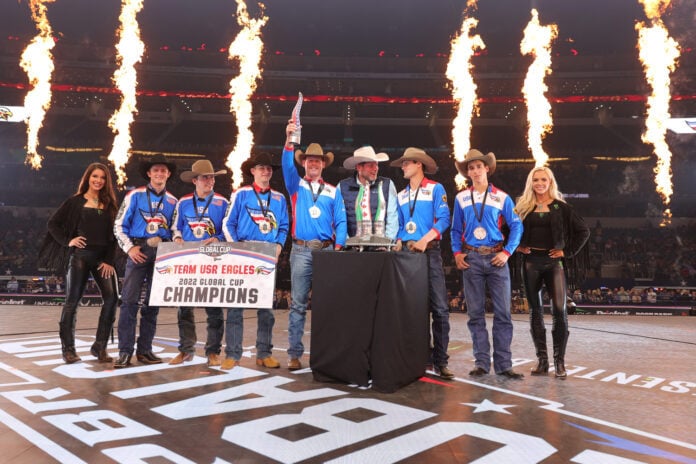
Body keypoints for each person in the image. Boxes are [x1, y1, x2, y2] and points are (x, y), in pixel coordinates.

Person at [451, 149, 524, 379]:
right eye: (470, 168)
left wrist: (507, 252)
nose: (474, 171)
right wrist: (456, 254)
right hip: (471, 259)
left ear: (487, 169)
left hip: (496, 258)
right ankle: (482, 362)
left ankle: (504, 364)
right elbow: (455, 230)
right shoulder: (461, 197)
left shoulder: (502, 197)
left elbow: (516, 226)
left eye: (478, 167)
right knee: (475, 314)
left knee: (503, 313)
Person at [38, 163, 119, 364]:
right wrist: (68, 241)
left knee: (112, 298)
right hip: (80, 256)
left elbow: (114, 236)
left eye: (102, 177)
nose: (98, 180)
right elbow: (52, 224)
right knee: (72, 302)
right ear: (88, 178)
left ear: (106, 181)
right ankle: (68, 350)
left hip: (102, 259)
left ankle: (100, 347)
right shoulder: (74, 202)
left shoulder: (109, 204)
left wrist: (109, 260)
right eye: (95, 176)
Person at [282, 122, 347, 370]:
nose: (313, 164)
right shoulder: (295, 185)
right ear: (304, 163)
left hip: (327, 251)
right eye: (309, 160)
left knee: (326, 306)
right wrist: (289, 141)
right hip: (301, 251)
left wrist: (339, 248)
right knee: (298, 304)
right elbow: (287, 164)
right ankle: (294, 355)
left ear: (323, 164)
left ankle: (324, 354)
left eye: (317, 161)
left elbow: (340, 220)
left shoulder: (333, 191)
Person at [514, 166, 589, 378]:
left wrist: (567, 251)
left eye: (543, 180)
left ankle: (560, 363)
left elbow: (584, 231)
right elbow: (506, 230)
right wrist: (518, 247)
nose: (539, 183)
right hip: (530, 263)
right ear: (531, 182)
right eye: (536, 179)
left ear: (550, 182)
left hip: (554, 263)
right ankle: (542, 361)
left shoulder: (561, 207)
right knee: (535, 312)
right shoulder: (522, 207)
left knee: (559, 310)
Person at [390, 147, 454, 380]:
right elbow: (398, 224)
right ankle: (418, 359)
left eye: (407, 163)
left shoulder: (436, 188)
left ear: (419, 164)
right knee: (412, 310)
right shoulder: (400, 194)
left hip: (429, 252)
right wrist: (398, 241)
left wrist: (425, 240)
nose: (403, 167)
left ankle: (441, 361)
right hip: (407, 255)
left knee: (439, 308)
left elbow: (445, 218)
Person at [222, 152, 289, 370]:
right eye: (261, 167)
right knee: (235, 308)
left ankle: (264, 353)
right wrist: (235, 246)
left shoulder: (279, 198)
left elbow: (284, 226)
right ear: (252, 171)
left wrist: (278, 246)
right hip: (242, 252)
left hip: (266, 254)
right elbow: (227, 223)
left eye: (269, 168)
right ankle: (232, 354)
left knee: (266, 309)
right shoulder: (241, 194)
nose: (266, 171)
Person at [113, 154, 178, 368]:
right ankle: (124, 351)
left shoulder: (173, 201)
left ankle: (145, 350)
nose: (160, 173)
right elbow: (119, 225)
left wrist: (167, 239)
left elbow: (175, 230)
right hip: (138, 249)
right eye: (156, 170)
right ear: (149, 173)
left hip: (161, 252)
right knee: (129, 302)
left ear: (168, 174)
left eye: (163, 170)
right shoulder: (135, 195)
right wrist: (130, 248)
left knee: (153, 304)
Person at [169, 159, 229, 367]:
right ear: (194, 180)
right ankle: (186, 350)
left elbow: (228, 230)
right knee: (184, 308)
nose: (210, 181)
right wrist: (177, 238)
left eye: (212, 177)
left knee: (214, 308)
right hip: (188, 260)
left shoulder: (222, 202)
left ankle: (213, 351)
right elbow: (176, 227)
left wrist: (219, 238)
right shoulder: (183, 202)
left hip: (213, 260)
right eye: (205, 178)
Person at [338, 146, 398, 240]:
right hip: (351, 248)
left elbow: (392, 217)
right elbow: (339, 218)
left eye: (377, 164)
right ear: (359, 167)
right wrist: (347, 243)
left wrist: (387, 243)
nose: (376, 169)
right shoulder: (342, 186)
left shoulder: (387, 184)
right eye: (371, 166)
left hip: (381, 248)